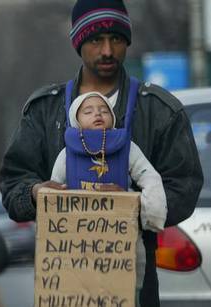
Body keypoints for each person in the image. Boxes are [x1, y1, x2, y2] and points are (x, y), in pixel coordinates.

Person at [0, 0, 203, 305]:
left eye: (117, 39)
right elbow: (13, 184)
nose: (108, 50)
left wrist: (130, 205)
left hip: (132, 284)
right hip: (64, 284)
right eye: (96, 40)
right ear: (78, 43)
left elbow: (184, 187)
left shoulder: (159, 110)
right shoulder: (45, 110)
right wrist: (35, 193)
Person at [51, 91, 167, 305]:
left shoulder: (128, 149)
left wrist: (147, 208)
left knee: (126, 291)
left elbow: (150, 177)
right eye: (88, 111)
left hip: (123, 239)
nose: (98, 113)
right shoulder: (66, 155)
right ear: (76, 120)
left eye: (104, 110)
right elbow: (54, 191)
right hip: (79, 244)